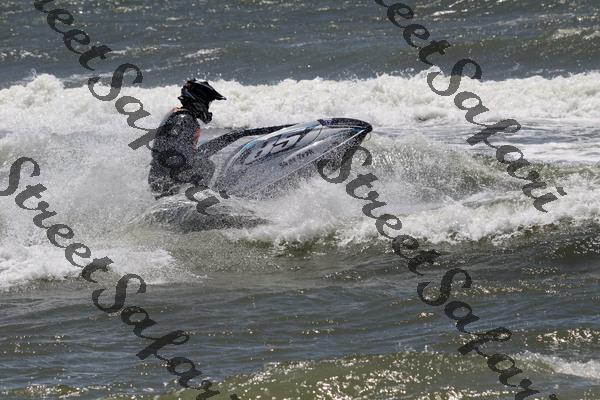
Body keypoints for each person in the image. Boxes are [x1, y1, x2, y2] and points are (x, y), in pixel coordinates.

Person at [148, 79, 289, 199]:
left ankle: (202, 197)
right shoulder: (185, 119)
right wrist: (232, 137)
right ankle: (204, 200)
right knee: (206, 165)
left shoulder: (178, 115)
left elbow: (182, 152)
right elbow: (175, 153)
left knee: (204, 162)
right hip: (166, 178)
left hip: (160, 177)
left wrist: (233, 136)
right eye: (207, 103)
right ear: (199, 100)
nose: (208, 108)